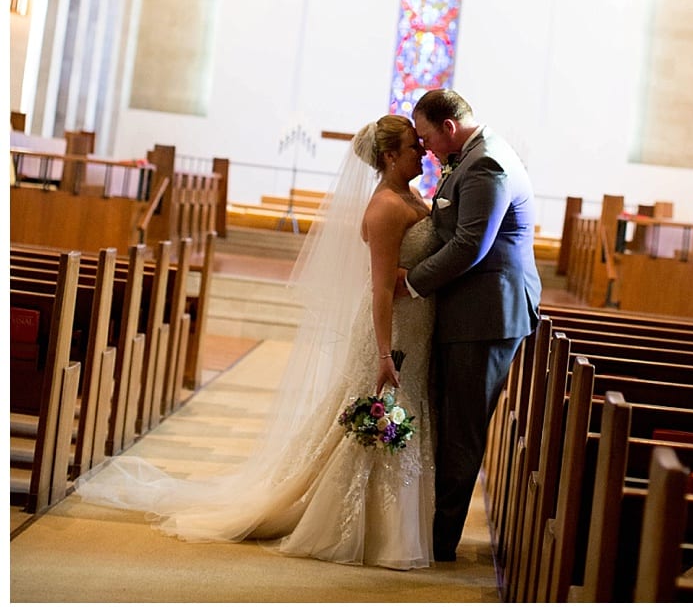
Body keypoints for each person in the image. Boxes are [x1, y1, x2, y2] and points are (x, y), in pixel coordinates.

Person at [75, 115, 440, 570]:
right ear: (389, 156)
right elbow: (380, 288)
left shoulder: (413, 196)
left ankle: (388, 525)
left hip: (417, 329)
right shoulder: (385, 206)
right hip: (394, 335)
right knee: (377, 412)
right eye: (412, 147)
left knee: (391, 414)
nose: (421, 152)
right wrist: (385, 353)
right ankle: (362, 527)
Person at [398, 89, 541, 562]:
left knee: (461, 427)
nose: (425, 148)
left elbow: (470, 245)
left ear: (449, 127)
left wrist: (411, 283)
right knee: (452, 417)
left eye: (426, 137)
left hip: (486, 314)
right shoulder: (476, 154)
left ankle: (440, 544)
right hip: (475, 309)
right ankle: (432, 531)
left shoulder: (487, 165)